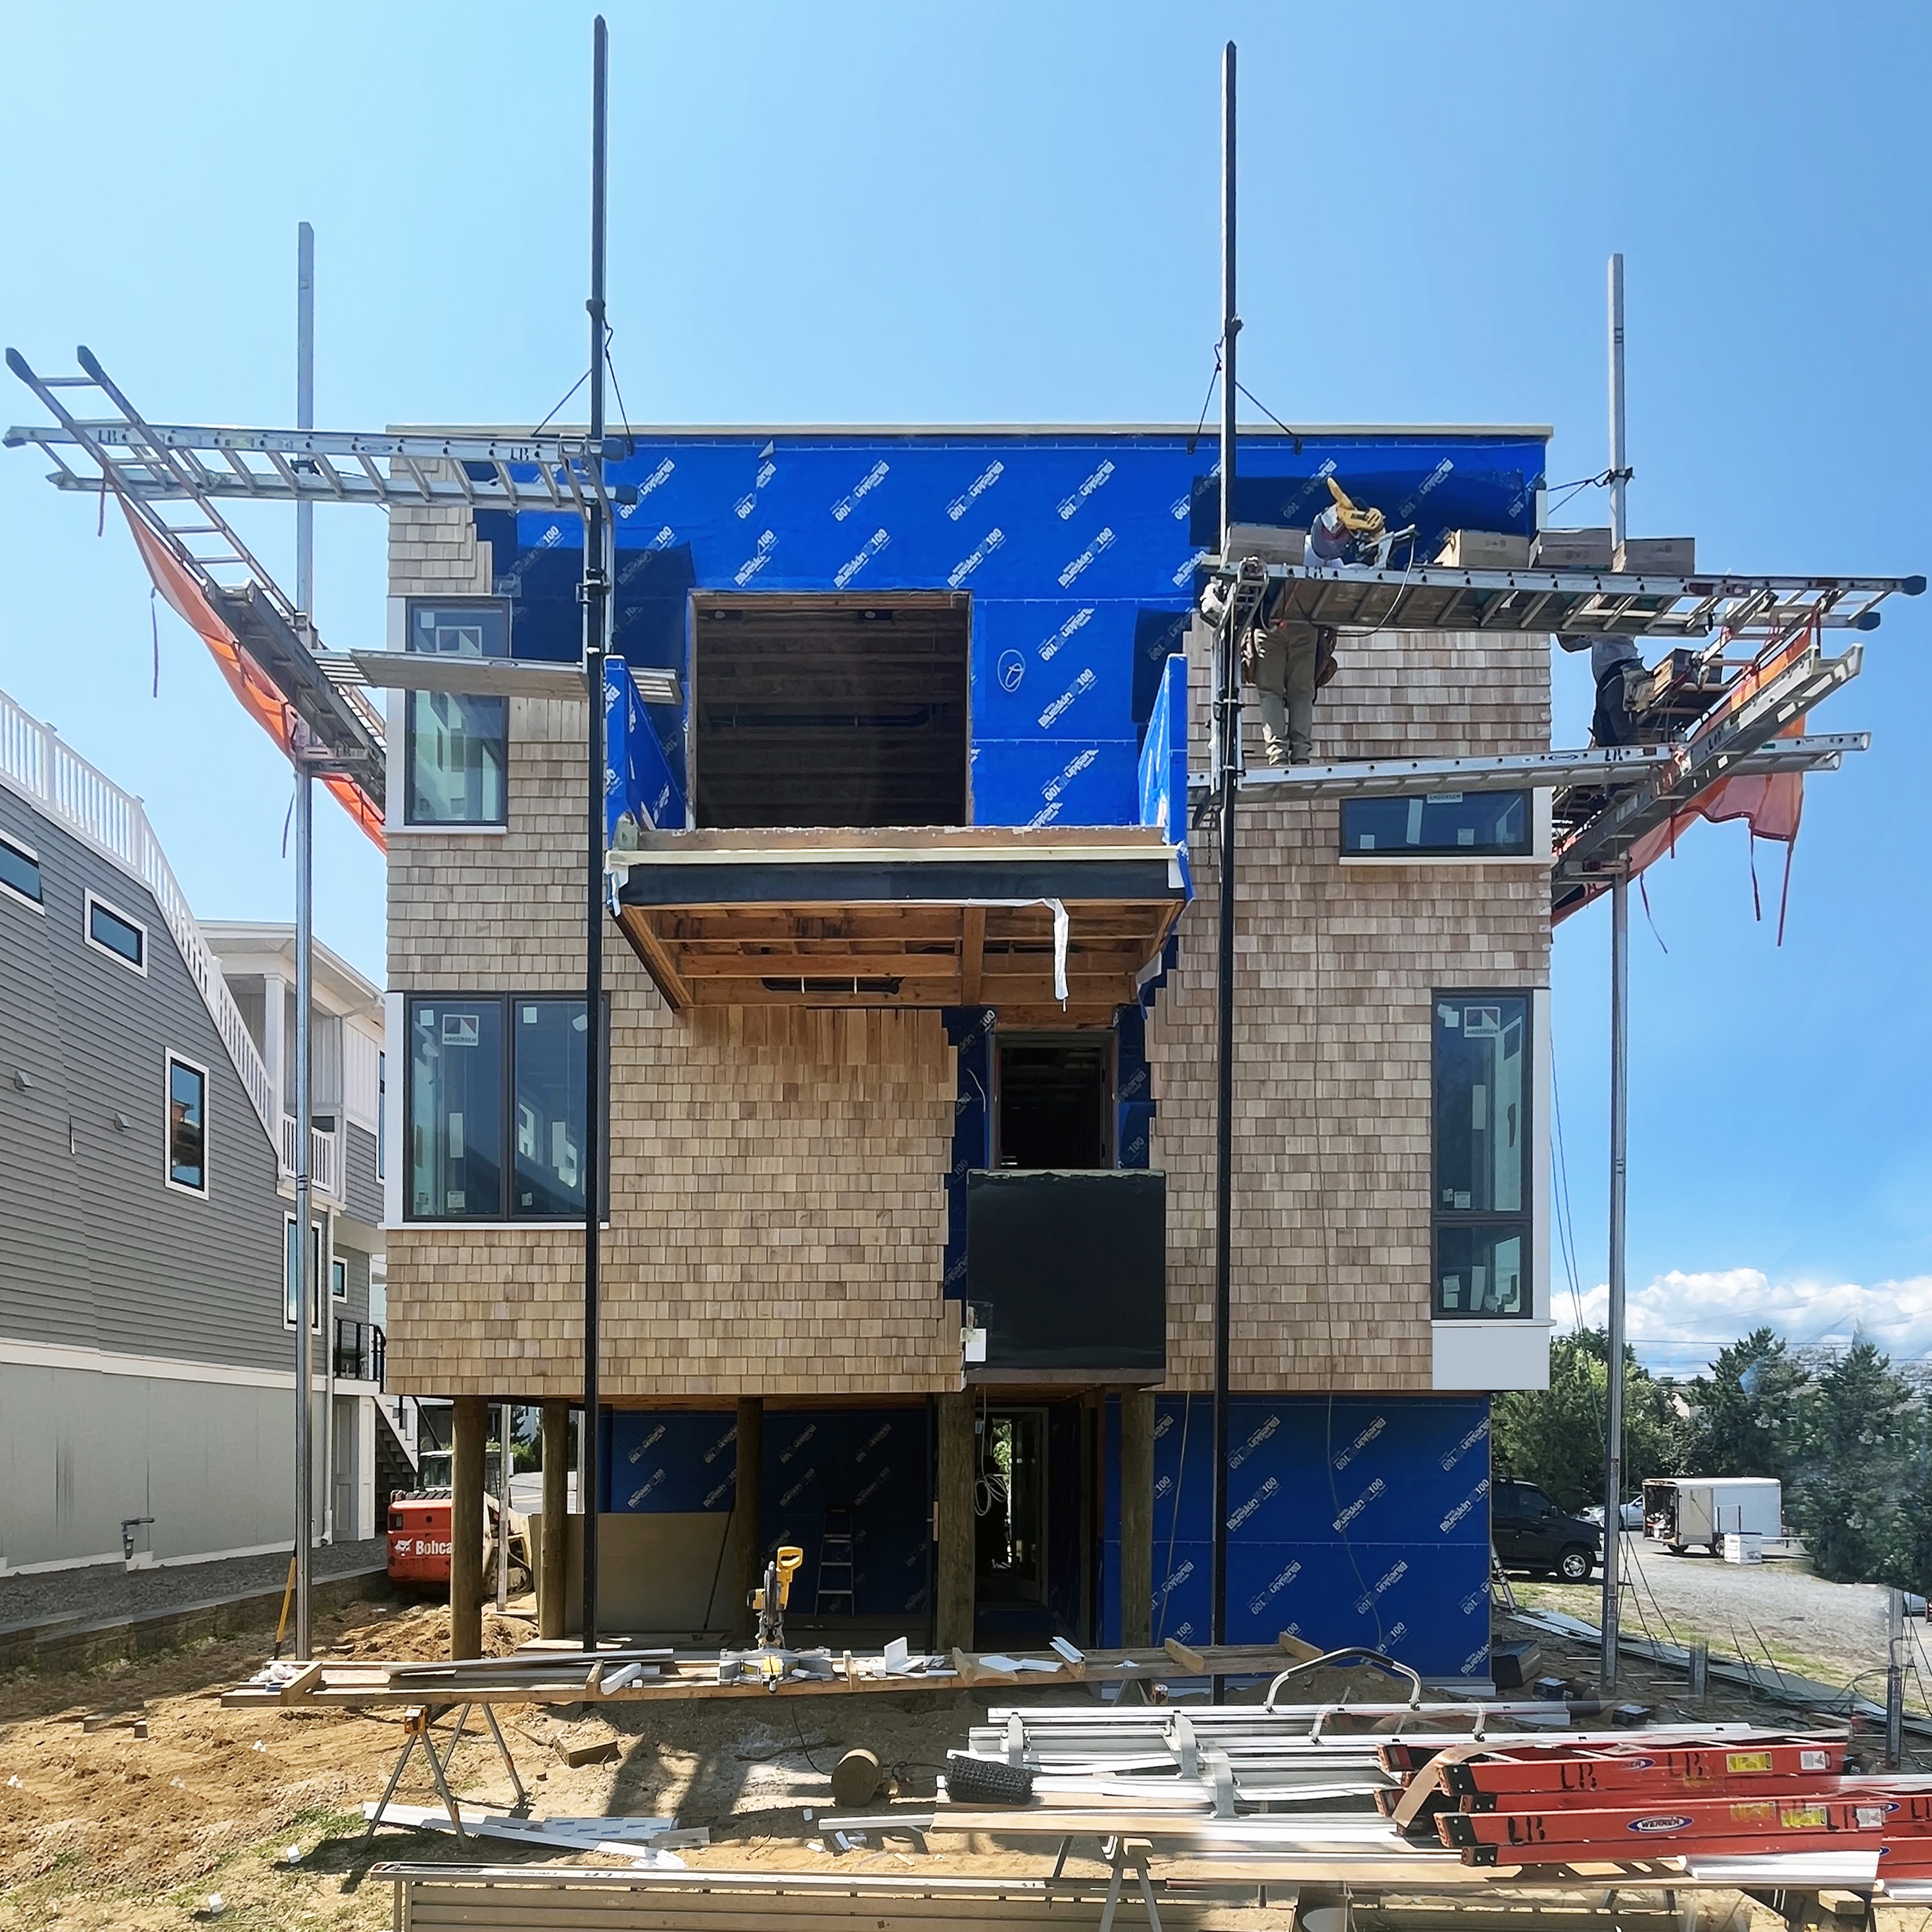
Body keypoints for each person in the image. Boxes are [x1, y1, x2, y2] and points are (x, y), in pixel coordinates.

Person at [1245, 598, 1337, 766]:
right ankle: (1300, 755)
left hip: (1267, 619)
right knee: (1302, 693)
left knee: (1270, 693)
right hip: (1305, 619)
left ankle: (1278, 756)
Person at [1557, 632, 1645, 747]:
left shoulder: (1618, 622)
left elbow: (1604, 632)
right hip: (1606, 684)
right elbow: (1571, 644)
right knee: (1604, 736)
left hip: (1622, 675)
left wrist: (1583, 631)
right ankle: (1616, 763)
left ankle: (1631, 762)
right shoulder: (1596, 633)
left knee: (1625, 734)